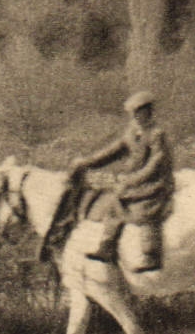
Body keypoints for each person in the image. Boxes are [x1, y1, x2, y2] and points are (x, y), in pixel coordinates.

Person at [69, 91, 174, 272]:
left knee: (145, 211)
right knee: (113, 207)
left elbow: (155, 164)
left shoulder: (157, 134)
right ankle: (107, 247)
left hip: (154, 184)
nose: (135, 116)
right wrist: (86, 163)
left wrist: (132, 180)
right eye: (133, 113)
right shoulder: (132, 132)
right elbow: (112, 151)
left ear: (148, 112)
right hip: (134, 185)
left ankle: (151, 256)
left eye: (139, 112)